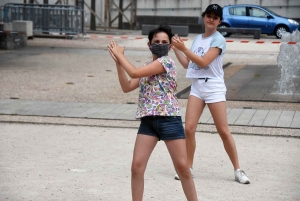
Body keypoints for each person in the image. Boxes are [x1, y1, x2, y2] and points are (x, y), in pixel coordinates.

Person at [107, 25, 198, 201]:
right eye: (156, 42)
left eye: (165, 42)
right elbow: (127, 86)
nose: (160, 44)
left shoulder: (166, 62)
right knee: (137, 166)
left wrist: (120, 55)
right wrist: (118, 62)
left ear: (171, 46)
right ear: (149, 45)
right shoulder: (147, 66)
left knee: (182, 168)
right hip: (148, 121)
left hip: (169, 119)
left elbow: (133, 72)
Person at [171, 4, 250, 184]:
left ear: (220, 21)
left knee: (223, 131)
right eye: (209, 15)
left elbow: (204, 61)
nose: (211, 19)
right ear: (204, 17)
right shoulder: (198, 39)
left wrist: (184, 49)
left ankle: (238, 169)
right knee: (189, 128)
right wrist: (176, 48)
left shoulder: (219, 40)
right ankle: (188, 168)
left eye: (215, 17)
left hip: (213, 87)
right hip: (197, 87)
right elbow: (188, 64)